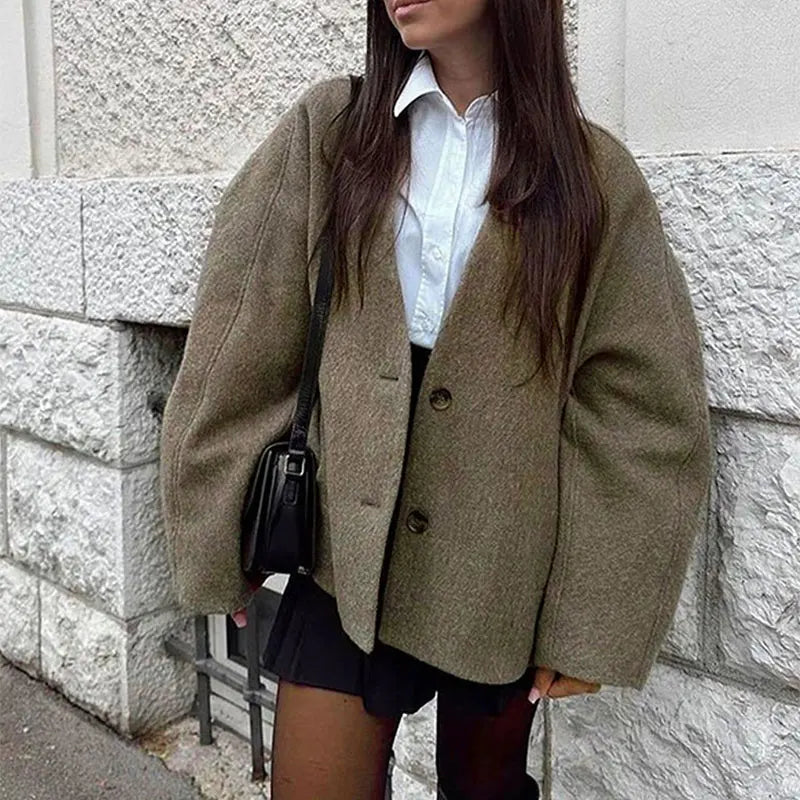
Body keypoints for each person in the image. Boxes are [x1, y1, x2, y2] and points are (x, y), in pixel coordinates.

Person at [159, 1, 713, 798]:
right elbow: (245, 328)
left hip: (500, 571)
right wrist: (217, 534)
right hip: (344, 555)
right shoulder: (335, 129)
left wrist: (590, 619)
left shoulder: (592, 175)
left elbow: (638, 409)